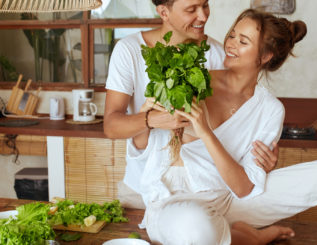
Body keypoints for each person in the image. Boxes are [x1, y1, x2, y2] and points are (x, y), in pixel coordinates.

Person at [131, 8, 317, 245]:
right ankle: (249, 237)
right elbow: (143, 145)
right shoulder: (193, 78)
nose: (231, 44)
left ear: (265, 56)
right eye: (232, 35)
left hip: (229, 198)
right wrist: (146, 118)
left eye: (243, 41)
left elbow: (244, 188)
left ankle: (233, 232)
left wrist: (204, 131)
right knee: (197, 226)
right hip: (173, 202)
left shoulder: (270, 109)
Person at [104, 0, 279, 200]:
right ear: (164, 12)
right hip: (141, 186)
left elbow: (233, 128)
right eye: (191, 9)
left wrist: (260, 162)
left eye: (205, 5)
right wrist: (152, 120)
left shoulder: (221, 55)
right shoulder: (130, 50)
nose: (203, 16)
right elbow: (111, 126)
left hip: (200, 190)